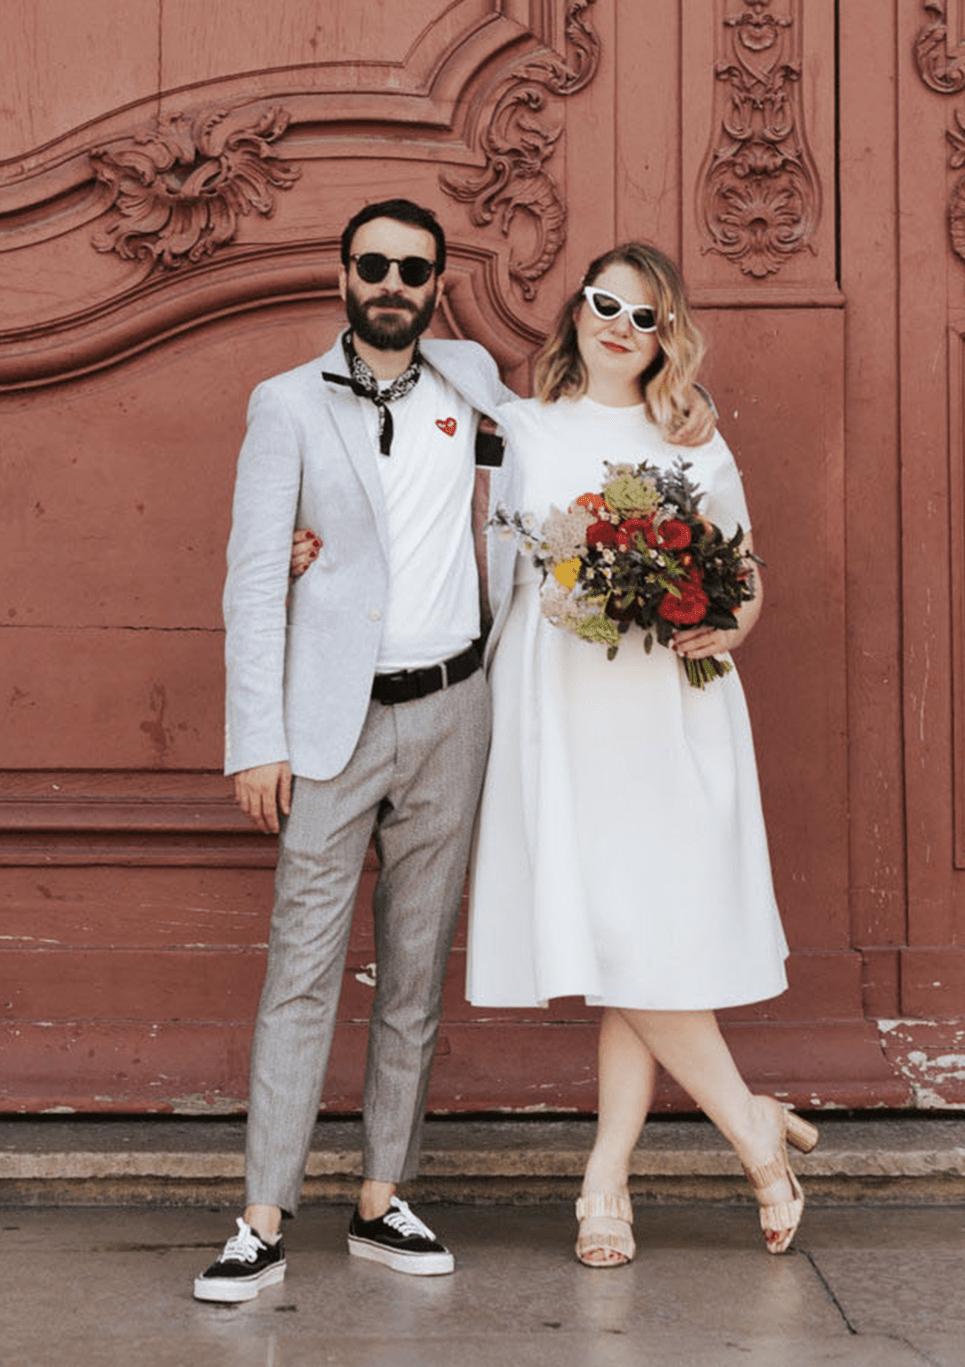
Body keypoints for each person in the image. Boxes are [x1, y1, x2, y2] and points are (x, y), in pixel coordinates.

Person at [463, 242, 818, 1267]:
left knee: (638, 937)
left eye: (645, 314)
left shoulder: (690, 439)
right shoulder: (518, 426)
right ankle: (746, 1126)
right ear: (574, 309)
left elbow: (742, 572)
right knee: (623, 936)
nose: (619, 324)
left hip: (664, 707)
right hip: (558, 705)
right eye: (604, 302)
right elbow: (456, 534)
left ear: (668, 335)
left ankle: (609, 1177)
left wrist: (733, 625)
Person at [196, 199, 517, 1303]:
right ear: (341, 274)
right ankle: (260, 1215)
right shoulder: (282, 404)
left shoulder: (473, 386)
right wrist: (257, 738)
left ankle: (384, 1195)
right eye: (372, 264)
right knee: (302, 966)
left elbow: (549, 469)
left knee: (416, 969)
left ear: (437, 283)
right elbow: (249, 575)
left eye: (412, 268)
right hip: (331, 725)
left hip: (453, 712)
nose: (391, 282)